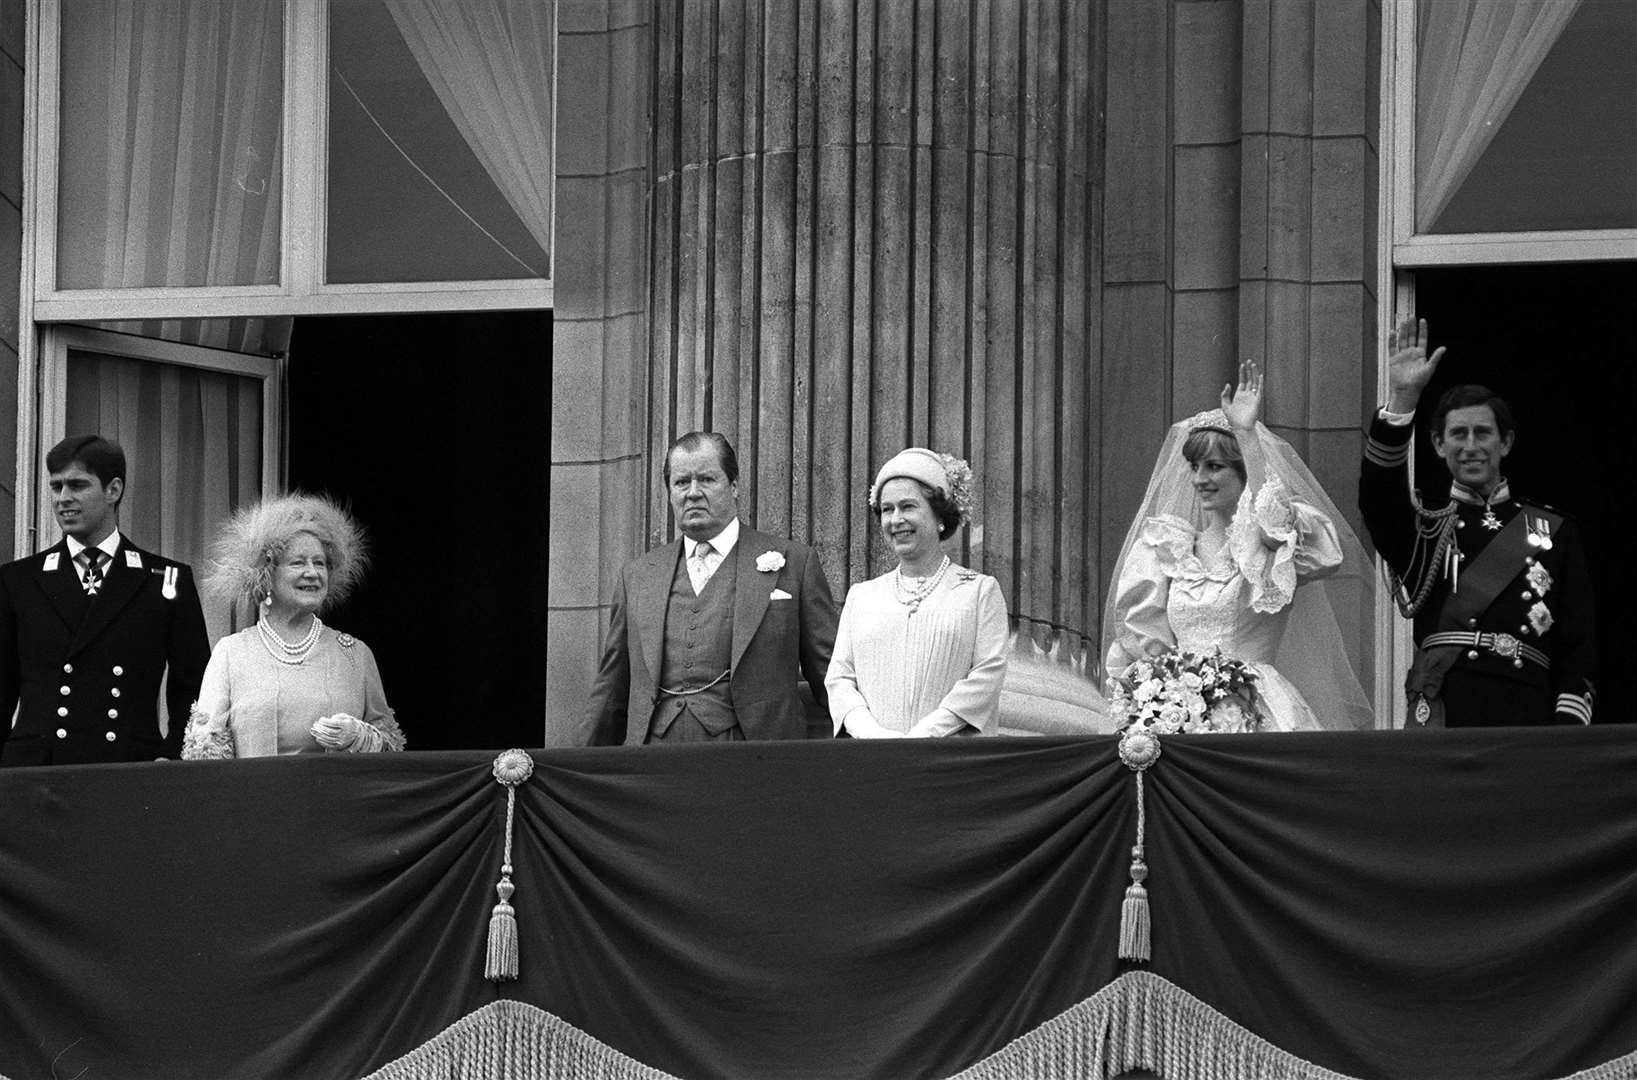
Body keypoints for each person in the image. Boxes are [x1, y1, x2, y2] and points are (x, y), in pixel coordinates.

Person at [1103, 362, 1374, 732]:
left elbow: (1275, 526)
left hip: (1256, 707)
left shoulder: (1266, 548)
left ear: (1243, 473)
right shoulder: (1166, 549)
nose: (1200, 479)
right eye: (1195, 466)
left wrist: (1246, 437)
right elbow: (1144, 646)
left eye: (1214, 467)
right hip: (1180, 713)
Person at [1359, 316, 1596, 727]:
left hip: (1529, 717)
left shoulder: (1555, 532)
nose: (1471, 447)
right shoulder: (1423, 529)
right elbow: (1377, 497)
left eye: (1483, 434)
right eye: (1458, 434)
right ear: (1438, 444)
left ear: (1505, 443)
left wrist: (1567, 731)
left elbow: (1579, 644)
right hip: (1446, 712)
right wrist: (1402, 399)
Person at [580, 432, 839, 745]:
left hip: (756, 761)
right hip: (653, 763)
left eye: (706, 479)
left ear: (734, 486)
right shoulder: (636, 577)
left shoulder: (795, 563)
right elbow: (611, 687)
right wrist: (568, 775)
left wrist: (879, 748)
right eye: (681, 482)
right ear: (669, 492)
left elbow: (831, 676)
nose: (693, 493)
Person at [0, 435, 211, 766]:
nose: (63, 499)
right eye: (56, 487)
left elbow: (194, 686)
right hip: (36, 773)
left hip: (127, 768)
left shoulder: (166, 580)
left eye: (77, 485)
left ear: (113, 490)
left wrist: (171, 756)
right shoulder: (19, 580)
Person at [181, 494, 403, 758]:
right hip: (256, 797)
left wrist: (361, 737)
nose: (312, 572)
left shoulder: (356, 655)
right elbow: (204, 753)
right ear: (267, 574)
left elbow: (393, 749)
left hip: (337, 798)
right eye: (298, 562)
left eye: (319, 563)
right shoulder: (231, 653)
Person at [825, 448, 1008, 737]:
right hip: (872, 758)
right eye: (887, 509)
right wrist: (871, 732)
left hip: (949, 760)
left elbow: (986, 676)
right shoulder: (862, 596)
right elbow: (839, 678)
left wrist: (927, 734)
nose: (896, 519)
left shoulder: (979, 592)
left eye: (908, 506)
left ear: (939, 515)